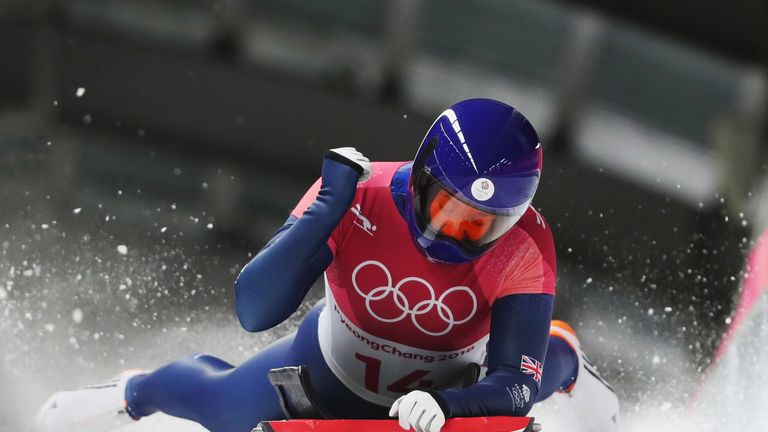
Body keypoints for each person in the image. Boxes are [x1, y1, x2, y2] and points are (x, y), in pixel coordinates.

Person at [37, 99, 619, 432]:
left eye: (477, 226)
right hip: (330, 364)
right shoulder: (357, 196)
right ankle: (132, 393)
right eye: (443, 207)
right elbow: (254, 310)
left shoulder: (525, 246)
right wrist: (326, 211)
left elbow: (513, 387)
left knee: (531, 386)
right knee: (220, 407)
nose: (449, 233)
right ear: (419, 177)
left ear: (512, 219)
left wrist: (448, 405)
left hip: (447, 395)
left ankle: (563, 353)